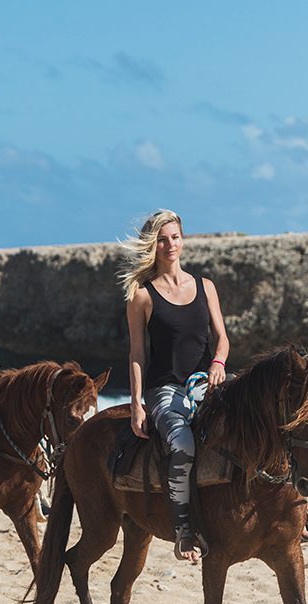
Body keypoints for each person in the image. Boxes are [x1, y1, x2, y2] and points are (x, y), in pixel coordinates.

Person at [122, 210, 230, 562]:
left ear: (184, 239)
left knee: (258, 414)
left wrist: (218, 363)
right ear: (153, 244)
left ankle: (298, 512)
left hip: (206, 382)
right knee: (182, 442)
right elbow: (137, 354)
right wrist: (137, 403)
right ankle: (184, 531)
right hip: (164, 389)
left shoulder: (205, 286)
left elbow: (222, 339)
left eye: (175, 237)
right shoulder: (142, 295)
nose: (171, 245)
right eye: (163, 239)